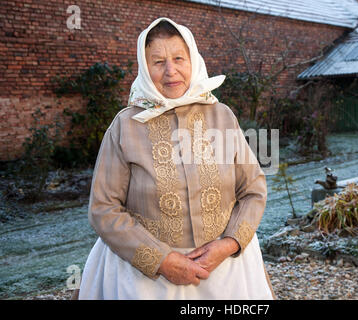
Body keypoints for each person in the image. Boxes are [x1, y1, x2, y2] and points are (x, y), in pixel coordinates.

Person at [77, 17, 275, 300]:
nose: (171, 71)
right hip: (145, 281)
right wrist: (160, 261)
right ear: (145, 68)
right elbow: (103, 208)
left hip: (227, 272)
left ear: (193, 60)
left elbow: (253, 190)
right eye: (158, 62)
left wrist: (230, 243)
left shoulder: (222, 116)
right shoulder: (125, 126)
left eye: (179, 58)